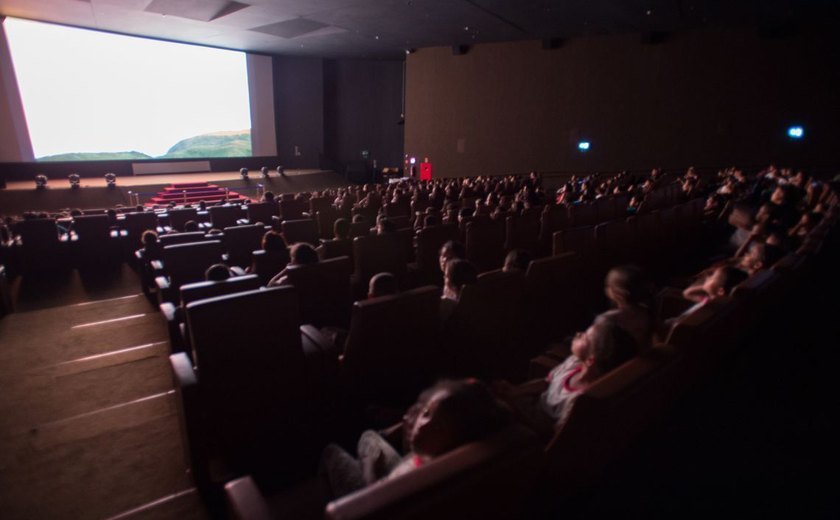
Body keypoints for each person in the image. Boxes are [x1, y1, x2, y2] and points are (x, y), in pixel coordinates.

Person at [319, 379, 511, 498]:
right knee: (370, 435)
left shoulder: (418, 478)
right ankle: (383, 433)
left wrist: (370, 467)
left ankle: (321, 491)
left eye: (439, 427)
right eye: (427, 413)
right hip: (406, 471)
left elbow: (376, 502)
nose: (423, 425)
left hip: (372, 496)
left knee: (331, 450)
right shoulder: (451, 460)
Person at [494, 313, 638, 435]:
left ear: (590, 360)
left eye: (584, 337)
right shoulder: (574, 362)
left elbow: (551, 432)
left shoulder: (578, 401)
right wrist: (516, 391)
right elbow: (546, 382)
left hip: (535, 427)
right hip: (535, 403)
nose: (578, 333)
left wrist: (511, 402)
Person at [601, 265, 656, 352]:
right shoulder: (647, 311)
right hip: (637, 360)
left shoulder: (608, 319)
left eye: (608, 286)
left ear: (618, 293)